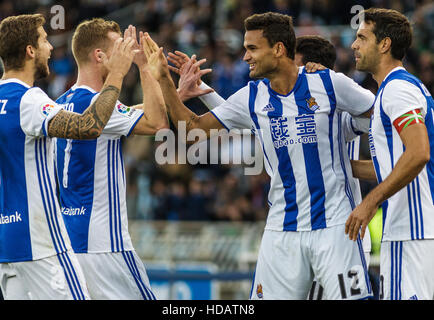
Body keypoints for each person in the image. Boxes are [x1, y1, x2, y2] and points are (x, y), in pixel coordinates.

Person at [143, 12, 374, 299]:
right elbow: (194, 127)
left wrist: (377, 173)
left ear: (278, 49)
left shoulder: (330, 84)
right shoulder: (252, 97)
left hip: (336, 227)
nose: (245, 57)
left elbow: (382, 117)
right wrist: (165, 80)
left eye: (252, 48)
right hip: (282, 230)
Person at [0, 14, 135, 299]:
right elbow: (88, 126)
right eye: (43, 40)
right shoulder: (28, 99)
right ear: (30, 50)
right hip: (40, 242)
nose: (50, 48)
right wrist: (117, 74)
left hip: (3, 243)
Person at [54, 19, 167, 300]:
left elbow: (123, 112)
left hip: (71, 242)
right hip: (106, 244)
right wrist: (144, 66)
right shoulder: (97, 103)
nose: (127, 54)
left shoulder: (63, 102)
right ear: (100, 56)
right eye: (121, 48)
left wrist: (175, 97)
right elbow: (157, 123)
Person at [345, 8, 434, 300]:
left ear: (384, 44)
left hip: (411, 229)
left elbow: (419, 153)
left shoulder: (397, 90)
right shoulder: (400, 88)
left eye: (362, 37)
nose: (354, 45)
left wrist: (371, 201)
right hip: (417, 230)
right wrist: (344, 166)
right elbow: (395, 165)